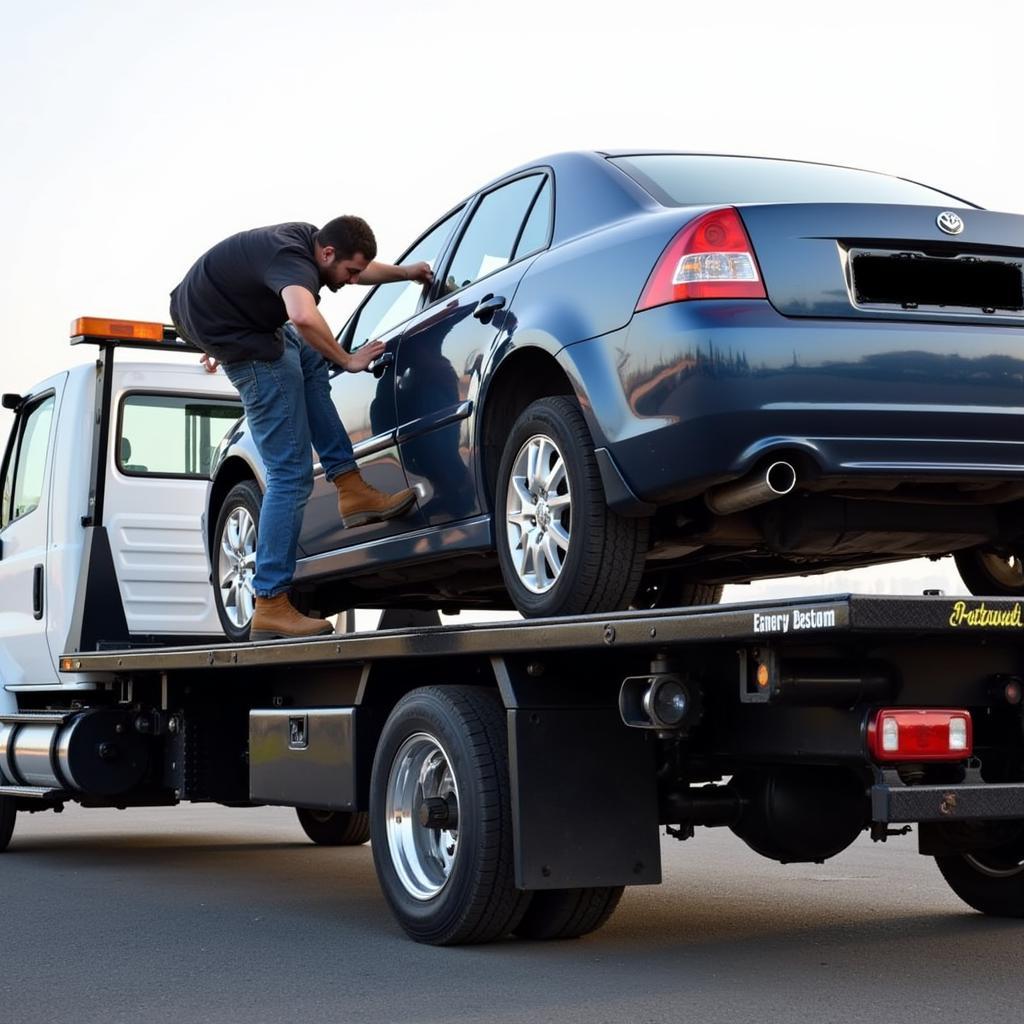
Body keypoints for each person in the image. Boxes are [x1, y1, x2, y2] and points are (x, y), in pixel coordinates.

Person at [170, 217, 432, 640]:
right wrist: (348, 359)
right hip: (242, 339)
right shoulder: (295, 263)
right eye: (348, 273)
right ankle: (270, 603)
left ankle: (351, 487)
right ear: (327, 255)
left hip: (220, 315)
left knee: (309, 358)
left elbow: (358, 273)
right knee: (289, 474)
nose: (351, 282)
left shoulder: (313, 241)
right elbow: (302, 315)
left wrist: (407, 273)